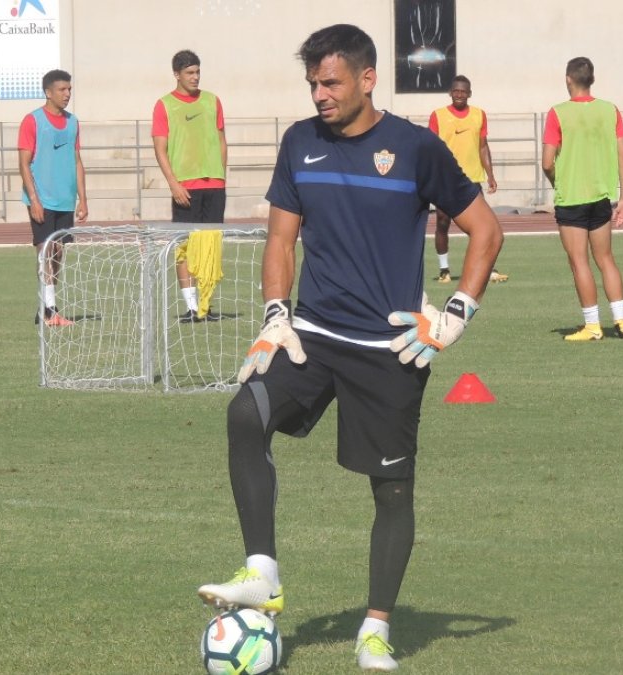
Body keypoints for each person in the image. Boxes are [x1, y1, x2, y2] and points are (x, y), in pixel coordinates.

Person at [195, 23, 503, 672]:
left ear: (368, 79)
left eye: (330, 81)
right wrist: (276, 314)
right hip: (310, 338)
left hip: (388, 349)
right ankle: (262, 573)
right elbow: (281, 240)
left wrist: (452, 318)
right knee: (244, 413)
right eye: (312, 83)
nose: (319, 94)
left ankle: (375, 628)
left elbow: (486, 230)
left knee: (391, 492)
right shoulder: (299, 141)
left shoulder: (416, 148)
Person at [541, 57, 623, 341]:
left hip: (571, 198)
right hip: (601, 196)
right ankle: (621, 321)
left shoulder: (558, 113)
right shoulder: (610, 110)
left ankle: (592, 326)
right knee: (605, 258)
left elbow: (547, 162)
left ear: (568, 78)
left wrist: (558, 181)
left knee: (579, 261)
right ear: (591, 79)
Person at [151, 49, 227, 322]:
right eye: (189, 73)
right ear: (177, 75)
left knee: (210, 245)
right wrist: (173, 184)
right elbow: (160, 149)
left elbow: (221, 140)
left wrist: (222, 175)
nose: (195, 77)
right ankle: (192, 307)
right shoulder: (164, 105)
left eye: (197, 72)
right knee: (185, 245)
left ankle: (206, 306)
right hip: (185, 186)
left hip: (214, 185)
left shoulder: (212, 101)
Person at [18, 68, 87, 327]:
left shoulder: (73, 122)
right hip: (43, 199)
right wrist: (34, 199)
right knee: (44, 251)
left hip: (65, 199)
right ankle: (49, 311)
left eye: (69, 89)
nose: (67, 94)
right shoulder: (32, 121)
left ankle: (46, 307)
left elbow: (77, 161)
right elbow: (24, 163)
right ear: (48, 92)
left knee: (58, 253)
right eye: (62, 89)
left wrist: (83, 198)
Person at [427, 75, 508, 284]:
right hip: (446, 179)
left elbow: (483, 146)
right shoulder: (438, 115)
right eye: (456, 91)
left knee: (482, 226)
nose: (460, 95)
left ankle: (488, 268)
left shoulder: (479, 115)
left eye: (464, 91)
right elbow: (431, 149)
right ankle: (444, 270)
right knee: (443, 223)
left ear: (469, 93)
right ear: (450, 92)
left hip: (471, 179)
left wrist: (490, 175)